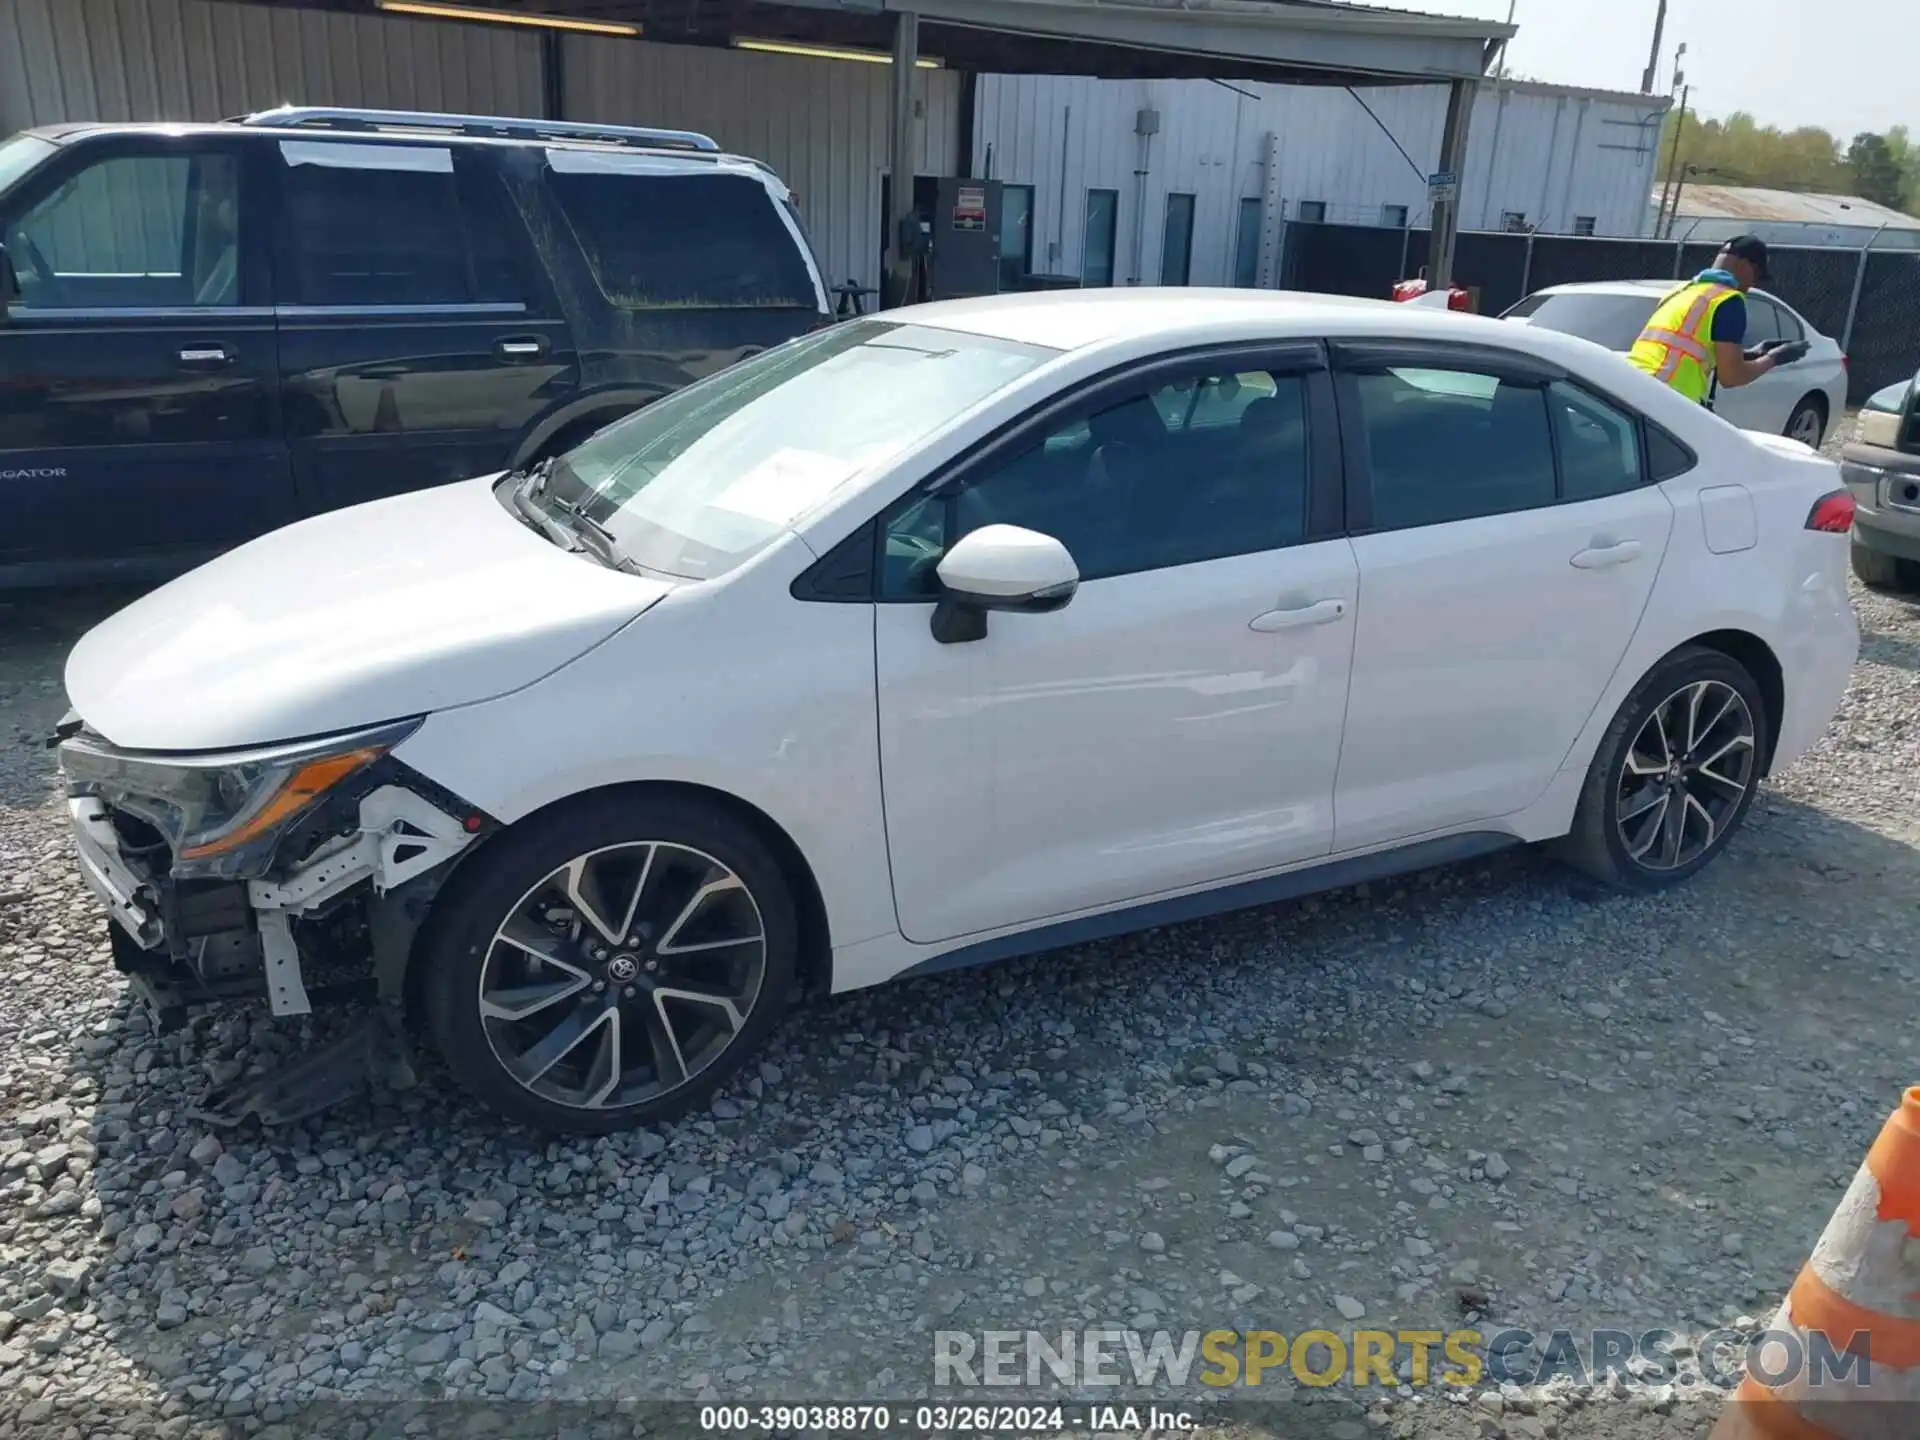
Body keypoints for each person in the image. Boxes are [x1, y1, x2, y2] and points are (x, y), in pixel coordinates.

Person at [1626, 235, 1809, 407]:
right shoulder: (1729, 301)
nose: (1754, 284)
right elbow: (1731, 377)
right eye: (1757, 275)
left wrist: (1751, 354)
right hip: (1667, 398)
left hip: (1631, 384)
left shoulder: (1680, 291)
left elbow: (1681, 348)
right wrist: (1774, 358)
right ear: (1744, 265)